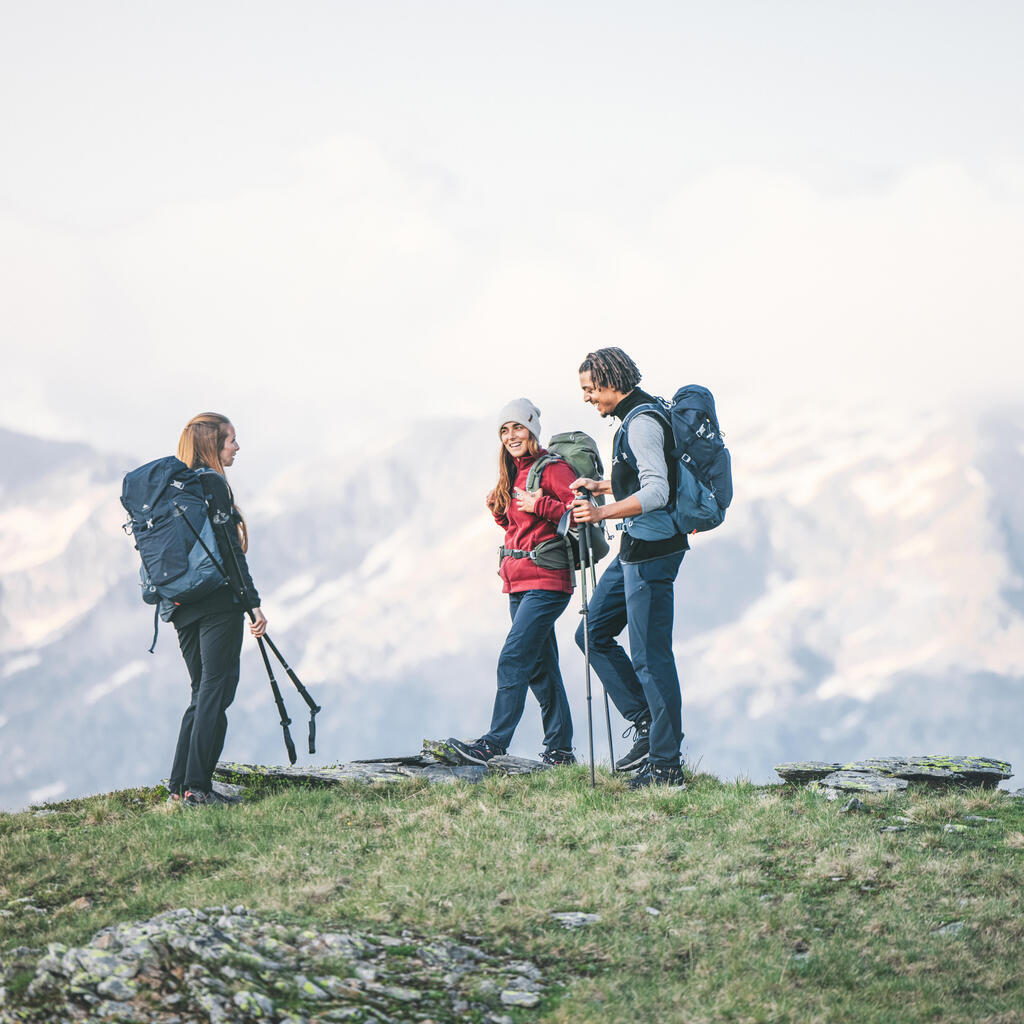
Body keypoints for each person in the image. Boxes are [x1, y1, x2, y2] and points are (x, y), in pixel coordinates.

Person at [570, 349, 688, 789]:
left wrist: (601, 513)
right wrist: (601, 486)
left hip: (653, 552)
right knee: (592, 633)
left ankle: (666, 766)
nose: (587, 398)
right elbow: (648, 478)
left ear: (608, 380)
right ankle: (645, 724)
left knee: (650, 657)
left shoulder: (639, 422)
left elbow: (657, 491)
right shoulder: (640, 414)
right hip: (635, 548)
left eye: (589, 389)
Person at [447, 399, 578, 766]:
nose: (511, 436)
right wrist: (502, 516)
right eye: (504, 430)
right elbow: (523, 530)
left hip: (548, 581)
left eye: (518, 427)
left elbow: (580, 514)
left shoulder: (552, 469)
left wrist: (544, 506)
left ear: (533, 429)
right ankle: (561, 750)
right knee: (540, 667)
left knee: (514, 658)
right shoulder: (513, 473)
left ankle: (494, 743)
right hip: (519, 582)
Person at [167, 413, 266, 807]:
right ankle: (198, 790)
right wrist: (251, 603)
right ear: (213, 445)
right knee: (217, 691)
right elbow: (228, 549)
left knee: (200, 692)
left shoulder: (176, 488)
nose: (237, 448)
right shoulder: (212, 485)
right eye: (231, 441)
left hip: (181, 606)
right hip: (217, 604)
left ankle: (179, 789)